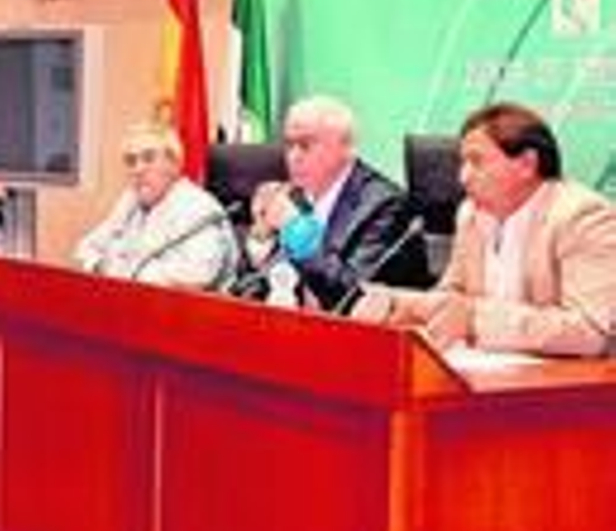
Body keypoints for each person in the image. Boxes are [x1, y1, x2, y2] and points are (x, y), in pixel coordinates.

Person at [355, 102, 616, 356]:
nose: (463, 176)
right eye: (462, 162)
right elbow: (452, 296)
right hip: (489, 377)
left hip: (572, 387)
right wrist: (396, 304)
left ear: (527, 164)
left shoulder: (582, 217)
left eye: (477, 162)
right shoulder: (470, 214)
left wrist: (474, 319)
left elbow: (592, 331)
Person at [244, 95, 429, 310]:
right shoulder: (293, 196)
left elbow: (353, 298)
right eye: (289, 145)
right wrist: (261, 238)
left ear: (345, 148)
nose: (293, 156)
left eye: (305, 145)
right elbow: (247, 291)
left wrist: (296, 230)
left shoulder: (385, 204)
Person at [73, 122, 237, 290]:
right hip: (133, 304)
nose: (138, 169)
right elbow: (85, 249)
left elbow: (197, 276)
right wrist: (116, 267)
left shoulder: (198, 208)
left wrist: (115, 266)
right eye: (131, 161)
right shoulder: (130, 200)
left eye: (148, 158)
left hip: (192, 312)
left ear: (174, 164)